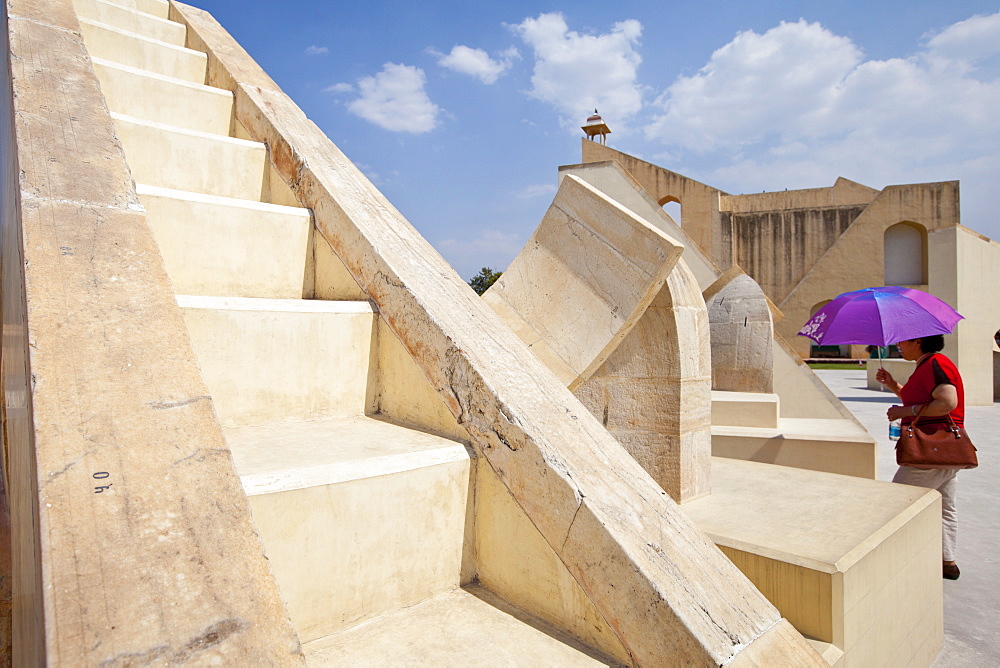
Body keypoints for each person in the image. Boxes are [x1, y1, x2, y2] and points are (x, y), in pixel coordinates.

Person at [876, 335, 964, 580]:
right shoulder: (927, 365)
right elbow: (920, 401)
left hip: (931, 447)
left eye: (903, 342)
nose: (898, 345)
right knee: (945, 506)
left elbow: (947, 401)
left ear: (918, 341)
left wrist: (903, 411)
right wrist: (893, 384)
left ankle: (894, 560)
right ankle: (948, 562)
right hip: (944, 449)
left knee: (898, 502)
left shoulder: (937, 364)